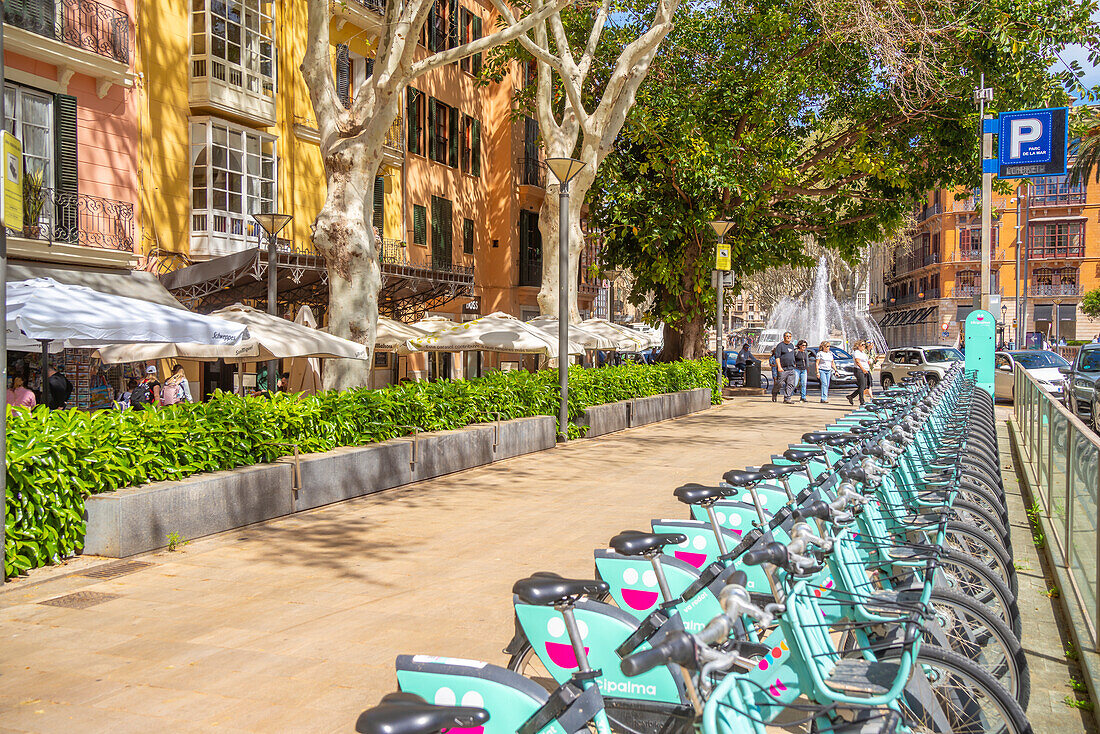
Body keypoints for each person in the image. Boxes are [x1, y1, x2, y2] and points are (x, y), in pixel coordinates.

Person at [774, 331, 798, 403]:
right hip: (783, 368)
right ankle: (774, 392)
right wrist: (779, 366)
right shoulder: (780, 345)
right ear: (784, 337)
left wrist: (794, 363)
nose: (788, 337)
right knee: (780, 383)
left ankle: (787, 398)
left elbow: (792, 355)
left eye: (790, 336)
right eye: (787, 336)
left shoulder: (791, 345)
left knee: (790, 384)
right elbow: (777, 357)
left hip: (791, 368)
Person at [848, 341, 870, 406]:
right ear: (858, 346)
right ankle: (861, 401)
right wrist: (863, 369)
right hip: (859, 370)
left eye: (864, 345)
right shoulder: (856, 352)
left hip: (865, 370)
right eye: (862, 345)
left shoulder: (863, 353)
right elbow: (857, 361)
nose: (864, 346)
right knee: (862, 385)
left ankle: (851, 396)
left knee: (864, 386)